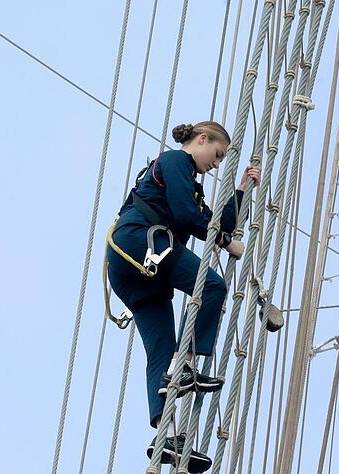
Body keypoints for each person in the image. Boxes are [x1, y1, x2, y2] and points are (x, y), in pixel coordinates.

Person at [107, 122, 261, 471]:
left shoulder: (191, 186)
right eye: (218, 154)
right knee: (212, 287)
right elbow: (187, 215)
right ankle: (186, 364)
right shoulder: (176, 162)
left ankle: (167, 437)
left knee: (160, 350)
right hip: (140, 241)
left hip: (136, 272)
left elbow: (214, 221)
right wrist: (224, 242)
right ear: (202, 140)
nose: (217, 163)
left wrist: (242, 191)